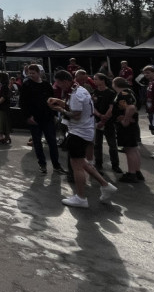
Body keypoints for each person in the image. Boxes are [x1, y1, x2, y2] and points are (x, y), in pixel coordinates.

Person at [49, 70, 119, 208]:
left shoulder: (76, 93)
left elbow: (75, 115)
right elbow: (76, 108)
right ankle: (105, 185)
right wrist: (60, 102)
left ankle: (81, 197)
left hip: (79, 132)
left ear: (65, 81)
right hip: (84, 130)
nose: (58, 86)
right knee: (83, 162)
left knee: (77, 166)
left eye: (58, 83)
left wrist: (59, 109)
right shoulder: (79, 90)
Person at [19, 65, 60, 173]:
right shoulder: (26, 85)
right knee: (37, 142)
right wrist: (28, 116)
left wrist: (54, 114)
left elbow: (53, 101)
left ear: (39, 73)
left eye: (33, 73)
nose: (31, 75)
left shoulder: (46, 85)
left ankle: (56, 165)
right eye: (29, 73)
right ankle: (42, 164)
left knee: (52, 141)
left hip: (48, 117)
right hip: (34, 119)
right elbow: (23, 102)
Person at [112, 77, 144, 183]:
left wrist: (125, 120)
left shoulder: (122, 94)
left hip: (126, 126)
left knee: (129, 150)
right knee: (134, 149)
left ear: (115, 84)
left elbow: (130, 107)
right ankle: (137, 171)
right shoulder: (130, 91)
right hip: (133, 125)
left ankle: (131, 173)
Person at [91, 73, 121, 174]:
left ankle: (115, 165)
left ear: (102, 80)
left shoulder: (111, 93)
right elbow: (93, 107)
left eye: (96, 79)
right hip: (97, 121)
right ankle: (98, 164)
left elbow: (111, 107)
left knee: (112, 144)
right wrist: (99, 116)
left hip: (108, 122)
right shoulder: (94, 92)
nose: (94, 81)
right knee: (97, 144)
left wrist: (104, 120)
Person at [0, 72, 12, 145]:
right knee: (2, 121)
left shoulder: (4, 87)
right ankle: (5, 136)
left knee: (2, 121)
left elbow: (4, 97)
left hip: (3, 107)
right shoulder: (2, 86)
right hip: (1, 107)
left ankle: (2, 136)